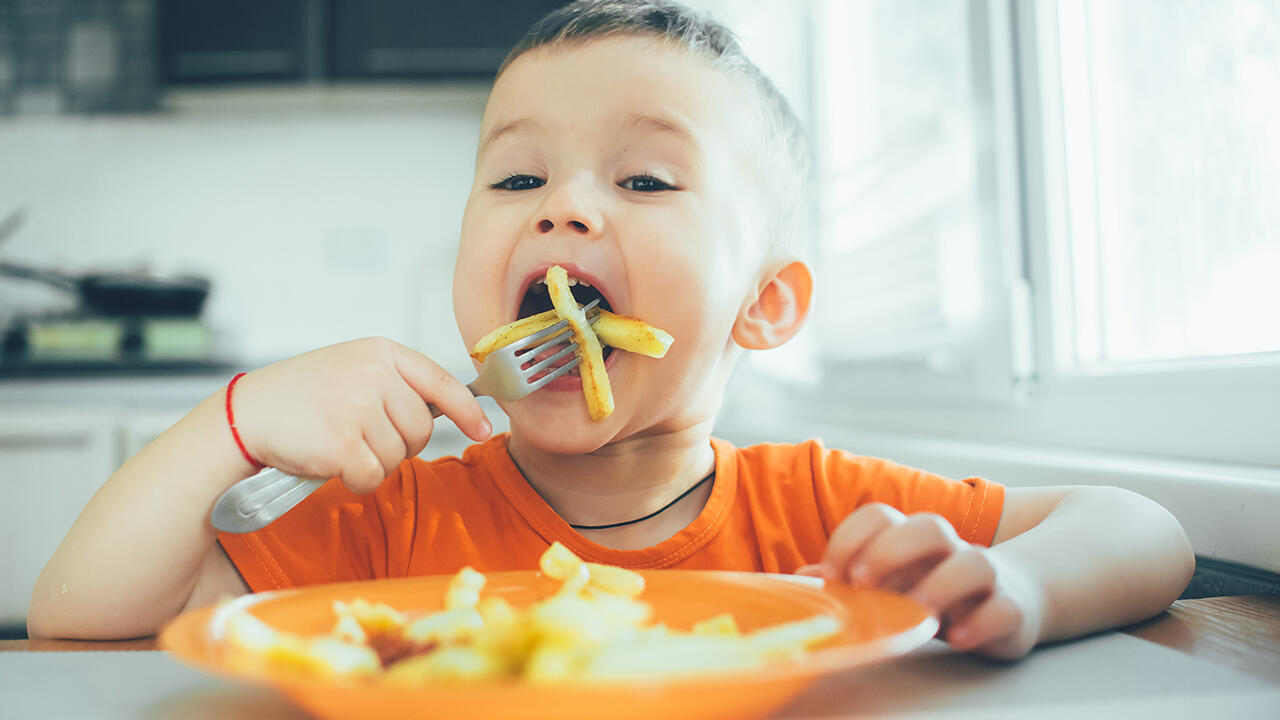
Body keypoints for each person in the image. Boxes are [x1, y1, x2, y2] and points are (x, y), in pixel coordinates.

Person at [28, 0, 1193, 660]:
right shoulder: (394, 520)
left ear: (765, 304)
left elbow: (1140, 528)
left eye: (642, 182)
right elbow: (76, 620)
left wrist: (1012, 587)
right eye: (516, 175)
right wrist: (235, 420)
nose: (563, 204)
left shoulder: (821, 512)